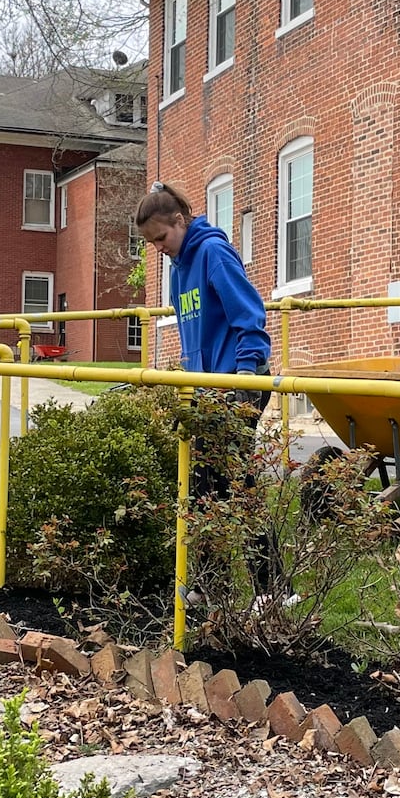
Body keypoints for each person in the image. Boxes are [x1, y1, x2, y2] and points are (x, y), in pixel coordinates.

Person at [133, 182, 278, 601]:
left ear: (180, 221)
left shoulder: (213, 252)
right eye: (150, 242)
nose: (157, 247)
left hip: (238, 380)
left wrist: (243, 378)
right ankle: (211, 583)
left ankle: (271, 586)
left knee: (237, 483)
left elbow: (248, 314)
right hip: (206, 386)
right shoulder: (179, 266)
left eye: (161, 237)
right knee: (202, 484)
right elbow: (192, 329)